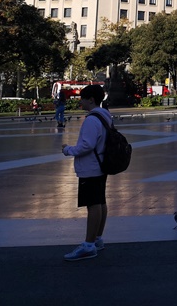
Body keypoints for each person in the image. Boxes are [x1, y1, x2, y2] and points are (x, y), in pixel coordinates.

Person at [61, 84, 112, 261]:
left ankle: (88, 245)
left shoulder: (91, 119)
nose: (80, 102)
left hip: (91, 167)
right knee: (100, 202)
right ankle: (97, 239)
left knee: (93, 204)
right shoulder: (105, 115)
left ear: (91, 99)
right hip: (101, 164)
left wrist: (68, 149)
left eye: (82, 98)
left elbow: (86, 145)